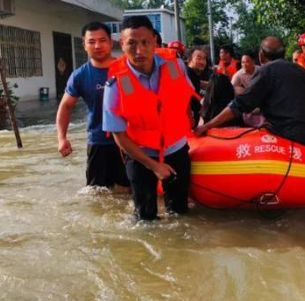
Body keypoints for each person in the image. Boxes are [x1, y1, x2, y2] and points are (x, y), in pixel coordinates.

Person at [102, 16, 196, 221]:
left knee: (181, 216)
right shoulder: (115, 84)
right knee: (145, 219)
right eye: (132, 44)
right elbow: (119, 135)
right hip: (140, 155)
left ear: (155, 41)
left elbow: (185, 96)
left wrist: (189, 127)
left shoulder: (175, 64)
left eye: (145, 43)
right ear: (122, 45)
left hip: (176, 149)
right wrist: (154, 166)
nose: (139, 51)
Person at [196, 36, 305, 149]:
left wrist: (207, 126)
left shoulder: (266, 71)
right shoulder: (301, 71)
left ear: (261, 56)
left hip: (298, 135)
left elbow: (240, 105)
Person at [56, 22, 129, 192]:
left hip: (129, 141)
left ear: (111, 42)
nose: (97, 46)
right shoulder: (80, 75)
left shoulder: (126, 68)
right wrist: (62, 138)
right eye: (91, 41)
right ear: (84, 45)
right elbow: (66, 106)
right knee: (98, 195)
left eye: (102, 40)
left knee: (130, 192)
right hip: (98, 142)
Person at [231, 51, 264, 128]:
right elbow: (230, 89)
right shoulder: (238, 75)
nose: (244, 65)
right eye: (242, 62)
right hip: (250, 100)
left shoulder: (262, 71)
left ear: (253, 61)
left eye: (247, 62)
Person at [187, 48, 211, 127]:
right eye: (199, 58)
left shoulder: (192, 75)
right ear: (190, 60)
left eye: (204, 59)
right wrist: (190, 117)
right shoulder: (188, 74)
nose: (202, 62)